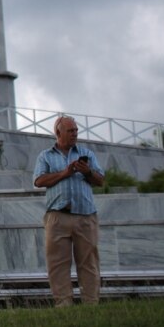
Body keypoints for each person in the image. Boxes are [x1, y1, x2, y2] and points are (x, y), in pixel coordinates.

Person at [33, 116, 104, 307]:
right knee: (58, 264)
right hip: (57, 216)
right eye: (70, 131)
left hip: (85, 215)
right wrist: (65, 173)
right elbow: (39, 181)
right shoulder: (45, 156)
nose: (74, 134)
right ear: (58, 133)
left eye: (76, 131)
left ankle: (91, 303)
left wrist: (87, 172)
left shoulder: (86, 153)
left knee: (88, 262)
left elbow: (101, 181)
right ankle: (63, 303)